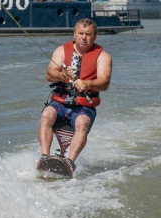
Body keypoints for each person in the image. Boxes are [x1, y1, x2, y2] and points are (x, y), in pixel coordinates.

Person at [37, 18, 112, 173]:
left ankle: (69, 162)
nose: (83, 37)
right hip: (60, 103)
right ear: (74, 34)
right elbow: (49, 75)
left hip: (84, 107)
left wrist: (87, 84)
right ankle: (45, 157)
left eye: (88, 34)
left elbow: (104, 83)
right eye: (80, 33)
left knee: (82, 122)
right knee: (46, 114)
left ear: (95, 36)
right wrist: (63, 75)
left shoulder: (103, 56)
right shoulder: (61, 51)